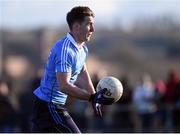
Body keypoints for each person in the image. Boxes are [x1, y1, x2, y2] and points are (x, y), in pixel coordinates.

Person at [32, 6, 114, 133]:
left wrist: (93, 96)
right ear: (76, 26)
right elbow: (64, 86)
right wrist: (91, 98)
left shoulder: (82, 48)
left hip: (52, 105)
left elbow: (83, 72)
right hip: (49, 105)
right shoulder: (65, 50)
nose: (93, 29)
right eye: (89, 24)